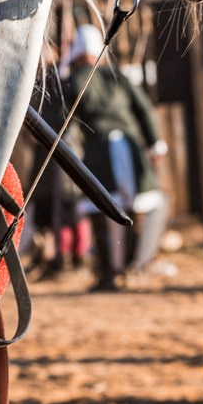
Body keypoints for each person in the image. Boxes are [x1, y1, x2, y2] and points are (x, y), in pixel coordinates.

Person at [54, 23, 163, 292]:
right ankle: (130, 267)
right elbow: (144, 108)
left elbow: (63, 120)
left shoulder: (76, 78)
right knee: (135, 206)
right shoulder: (118, 76)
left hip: (101, 150)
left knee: (102, 208)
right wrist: (155, 144)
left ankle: (109, 275)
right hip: (131, 147)